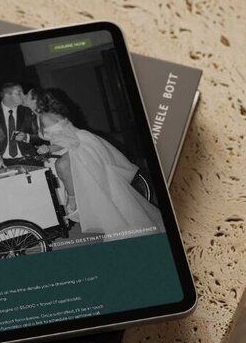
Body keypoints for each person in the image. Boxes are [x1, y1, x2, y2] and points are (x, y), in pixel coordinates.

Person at [21, 88, 163, 235]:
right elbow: (57, 136)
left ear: (36, 101)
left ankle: (72, 199)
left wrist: (49, 148)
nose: (23, 96)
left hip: (80, 145)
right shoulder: (40, 116)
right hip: (74, 143)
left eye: (27, 95)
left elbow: (71, 140)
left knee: (62, 166)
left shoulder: (45, 117)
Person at [0, 81, 42, 173]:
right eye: (19, 93)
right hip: (0, 161)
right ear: (7, 95)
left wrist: (26, 137)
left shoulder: (28, 111)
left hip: (27, 159)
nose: (23, 96)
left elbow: (40, 135)